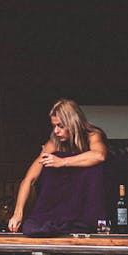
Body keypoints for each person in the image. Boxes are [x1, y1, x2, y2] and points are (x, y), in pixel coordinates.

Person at [8, 99, 109, 236]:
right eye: (54, 126)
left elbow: (99, 156)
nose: (56, 131)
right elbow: (29, 179)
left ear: (72, 123)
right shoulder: (53, 143)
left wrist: (62, 162)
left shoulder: (92, 135)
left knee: (93, 166)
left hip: (84, 207)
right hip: (57, 208)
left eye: (60, 126)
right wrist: (17, 213)